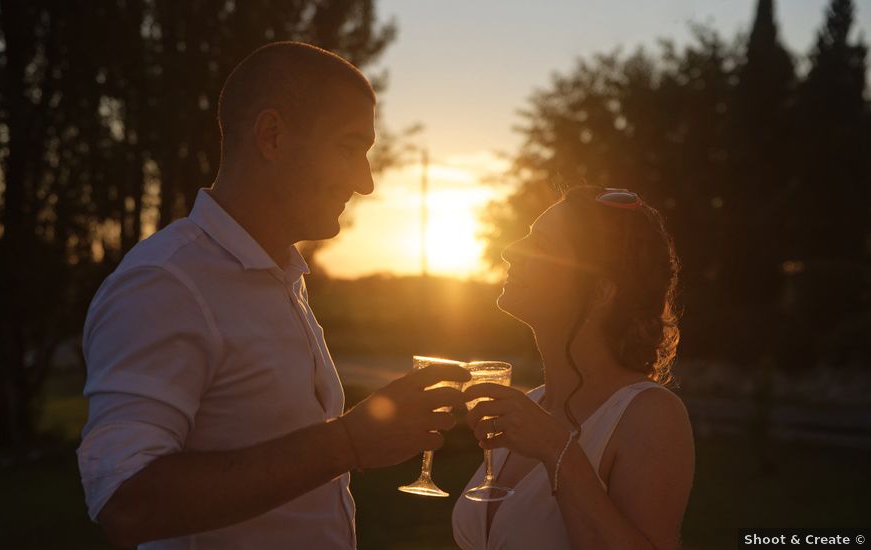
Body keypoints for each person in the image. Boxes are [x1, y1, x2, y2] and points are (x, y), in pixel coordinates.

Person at [77, 41, 469, 549]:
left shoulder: (282, 276)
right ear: (273, 135)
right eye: (350, 147)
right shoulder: (167, 283)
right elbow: (125, 502)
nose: (365, 182)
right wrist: (348, 442)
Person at [451, 186, 694, 549]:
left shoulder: (649, 415)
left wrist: (556, 450)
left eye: (542, 244)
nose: (510, 250)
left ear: (599, 292)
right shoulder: (530, 407)